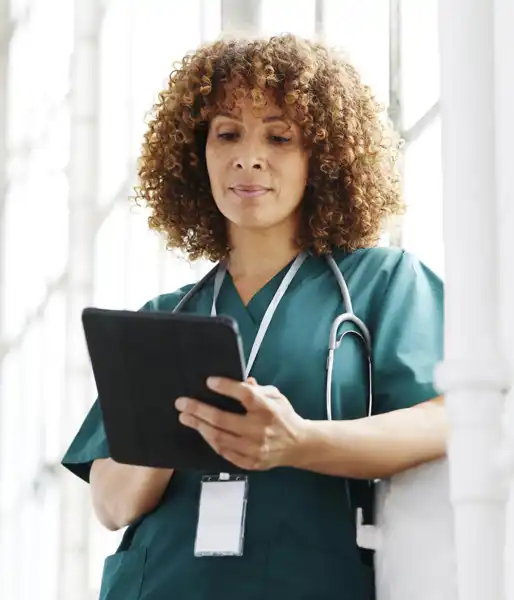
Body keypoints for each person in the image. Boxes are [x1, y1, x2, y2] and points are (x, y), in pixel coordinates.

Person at [62, 34, 446, 600]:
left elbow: (450, 416)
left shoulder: (379, 285)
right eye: (227, 133)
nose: (248, 156)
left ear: (323, 156)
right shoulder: (164, 319)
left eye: (279, 135)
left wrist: (300, 442)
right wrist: (175, 428)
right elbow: (112, 504)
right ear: (198, 154)